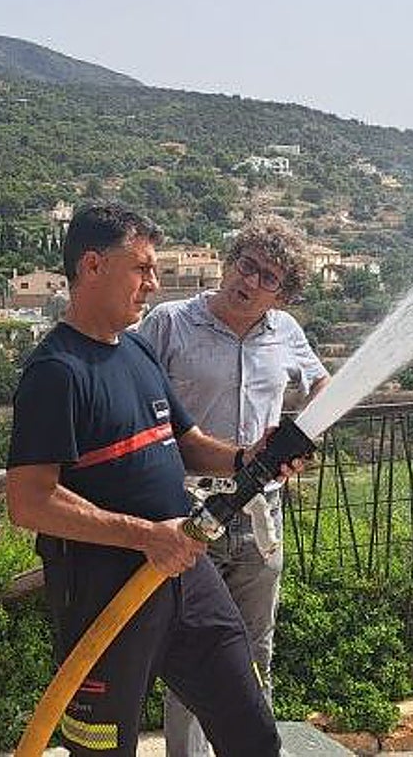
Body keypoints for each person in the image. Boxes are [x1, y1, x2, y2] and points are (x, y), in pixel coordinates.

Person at [7, 203, 299, 757]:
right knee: (103, 748)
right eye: (141, 268)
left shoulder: (137, 348)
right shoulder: (56, 372)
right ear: (93, 266)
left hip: (185, 572)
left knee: (250, 724)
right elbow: (29, 501)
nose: (153, 284)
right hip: (103, 590)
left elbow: (185, 443)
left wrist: (247, 459)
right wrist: (147, 537)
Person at [139, 217, 329, 757]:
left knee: (255, 647)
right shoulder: (170, 323)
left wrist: (302, 434)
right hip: (189, 508)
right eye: (247, 265)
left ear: (283, 293)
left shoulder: (287, 332)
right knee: (193, 653)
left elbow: (321, 382)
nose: (250, 281)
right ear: (229, 260)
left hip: (262, 515)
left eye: (269, 277)